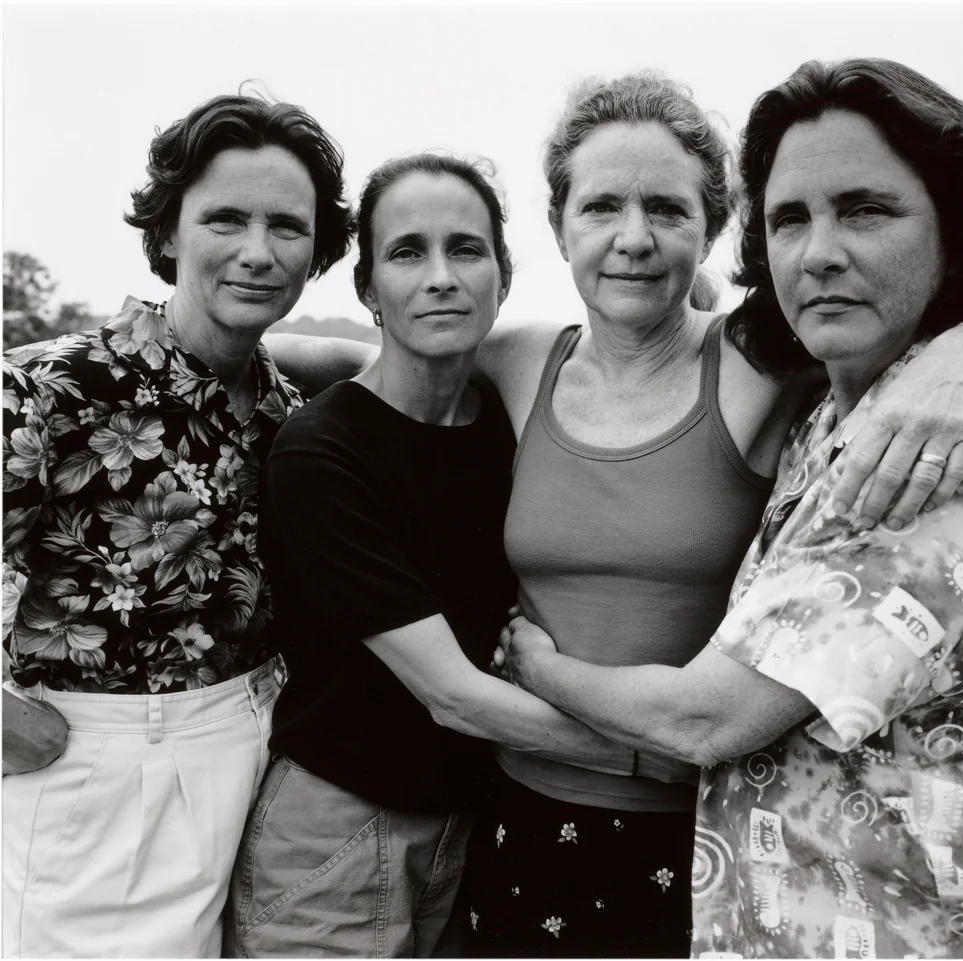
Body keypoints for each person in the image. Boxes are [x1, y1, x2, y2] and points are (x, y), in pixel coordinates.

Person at [265, 73, 963, 958]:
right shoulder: (522, 361)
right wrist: (228, 346)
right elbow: (381, 365)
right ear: (560, 227)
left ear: (713, 227)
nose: (633, 238)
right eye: (602, 206)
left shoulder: (765, 356)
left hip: (699, 830)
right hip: (514, 814)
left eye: (667, 209)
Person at [498, 58, 963, 959]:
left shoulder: (953, 451)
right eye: (790, 218)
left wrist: (534, 664)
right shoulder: (839, 407)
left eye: (865, 210)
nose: (819, 252)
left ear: (956, 229)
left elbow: (706, 719)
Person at [225, 153, 694, 959]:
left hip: (473, 830)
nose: (441, 277)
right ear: (369, 288)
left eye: (466, 250)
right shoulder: (323, 451)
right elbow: (452, 695)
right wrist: (654, 758)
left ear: (503, 277)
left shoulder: (508, 420)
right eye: (408, 252)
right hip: (336, 834)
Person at [1, 93, 354, 958]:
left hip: (261, 761)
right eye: (225, 219)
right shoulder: (45, 391)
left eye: (287, 226)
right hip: (98, 776)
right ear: (166, 232)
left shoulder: (289, 413)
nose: (257, 252)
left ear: (317, 253)